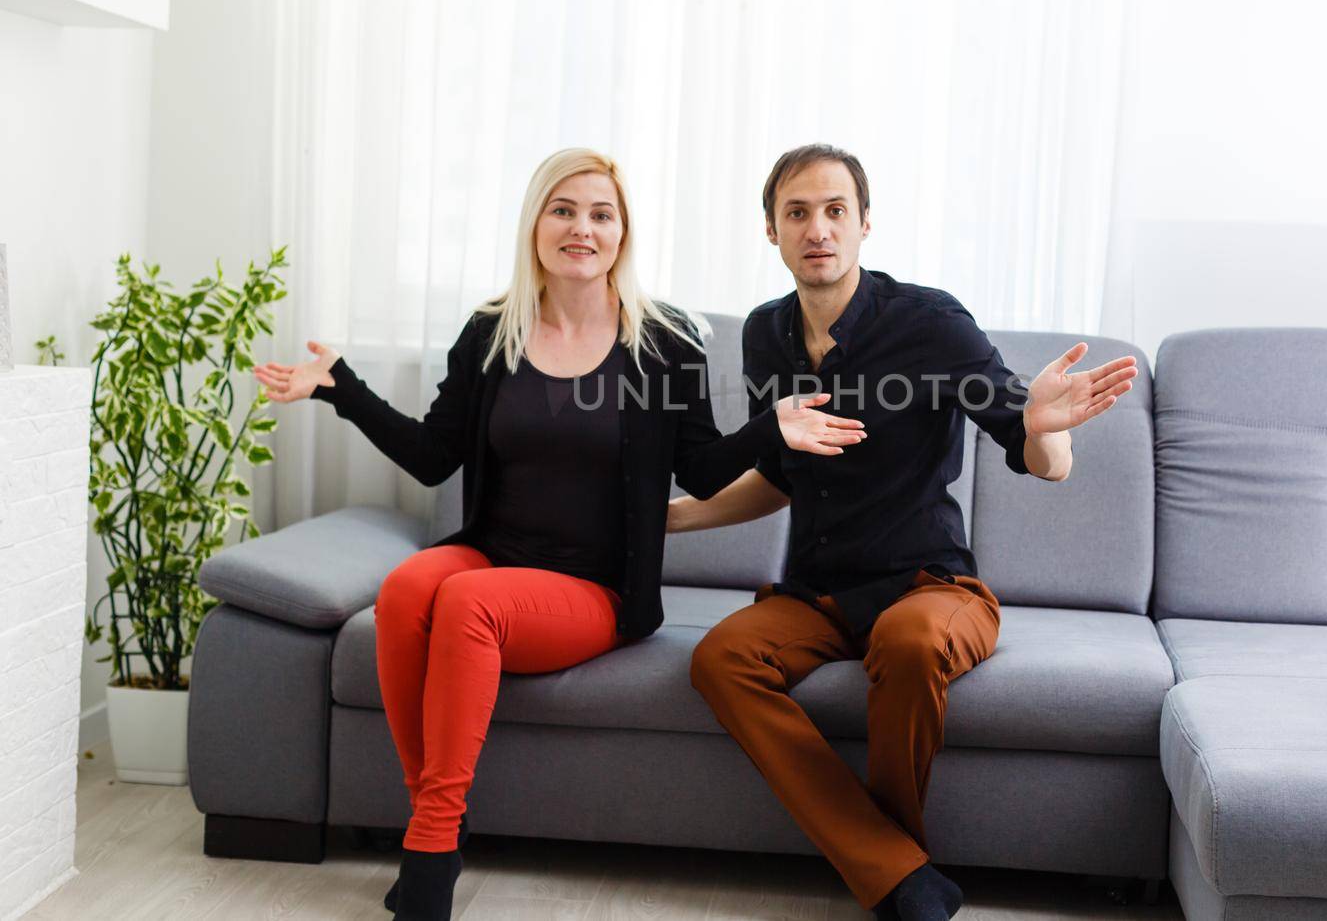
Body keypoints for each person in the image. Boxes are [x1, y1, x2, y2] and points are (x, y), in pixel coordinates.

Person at [251, 148, 866, 921]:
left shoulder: (665, 341)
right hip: (498, 551)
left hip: (595, 585)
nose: (583, 228)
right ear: (536, 224)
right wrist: (343, 388)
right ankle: (433, 823)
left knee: (468, 600)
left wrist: (768, 426)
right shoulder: (490, 333)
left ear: (622, 232)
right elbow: (433, 454)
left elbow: (705, 470)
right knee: (408, 586)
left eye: (601, 214)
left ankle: (430, 860)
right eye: (564, 209)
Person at [674, 144, 1137, 921]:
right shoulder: (766, 336)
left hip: (932, 586)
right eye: (797, 213)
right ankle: (897, 871)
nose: (817, 228)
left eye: (834, 211)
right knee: (720, 657)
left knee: (910, 642)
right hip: (819, 593)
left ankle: (893, 877)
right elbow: (785, 476)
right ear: (771, 231)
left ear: (863, 224)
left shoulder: (929, 322)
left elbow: (1036, 453)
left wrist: (1045, 427)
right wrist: (673, 521)